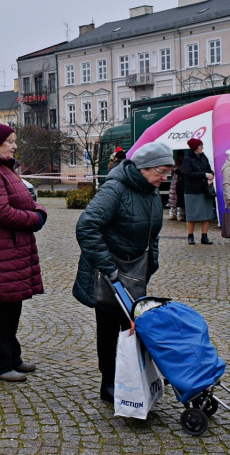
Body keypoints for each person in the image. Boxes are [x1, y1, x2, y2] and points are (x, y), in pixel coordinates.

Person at [74, 142, 171, 404]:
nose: (165, 178)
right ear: (143, 168)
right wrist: (108, 267)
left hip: (135, 270)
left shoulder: (150, 189)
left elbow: (153, 230)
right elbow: (87, 227)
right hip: (110, 274)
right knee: (109, 330)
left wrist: (152, 259)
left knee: (130, 327)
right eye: (162, 171)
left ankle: (131, 379)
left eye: (168, 173)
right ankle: (109, 384)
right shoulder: (115, 188)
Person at [0, 123, 47, 382]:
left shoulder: (4, 168)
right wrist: (35, 218)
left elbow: (25, 198)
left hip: (12, 249)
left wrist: (37, 209)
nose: (15, 146)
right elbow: (1, 212)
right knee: (2, 310)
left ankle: (12, 357)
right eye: (10, 141)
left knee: (12, 307)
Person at [181, 137, 214, 245]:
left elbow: (209, 170)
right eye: (200, 146)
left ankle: (204, 236)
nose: (202, 148)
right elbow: (187, 174)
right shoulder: (187, 159)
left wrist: (211, 176)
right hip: (192, 190)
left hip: (204, 189)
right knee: (192, 215)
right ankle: (190, 236)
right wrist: (204, 175)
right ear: (195, 147)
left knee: (207, 214)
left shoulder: (203, 157)